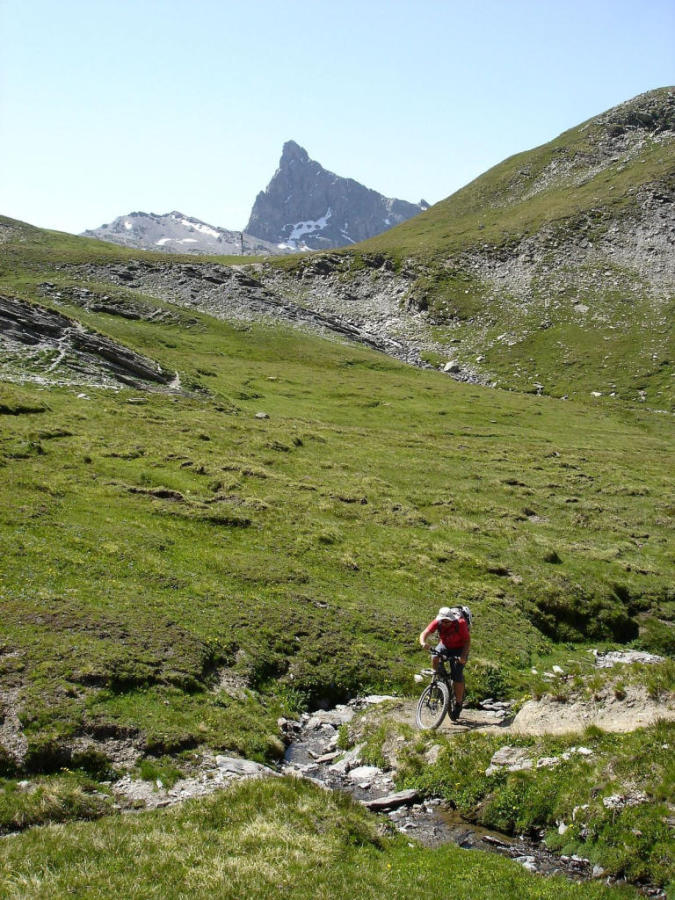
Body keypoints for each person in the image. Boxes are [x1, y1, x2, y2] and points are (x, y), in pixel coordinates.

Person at [419, 606, 470, 721]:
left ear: (452, 620)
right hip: (445, 645)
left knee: (457, 673)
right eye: (443, 621)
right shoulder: (437, 622)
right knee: (435, 656)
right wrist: (423, 642)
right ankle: (439, 677)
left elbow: (467, 641)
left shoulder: (460, 624)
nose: (445, 623)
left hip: (459, 648)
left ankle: (458, 703)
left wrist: (462, 656)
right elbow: (425, 633)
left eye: (448, 621)